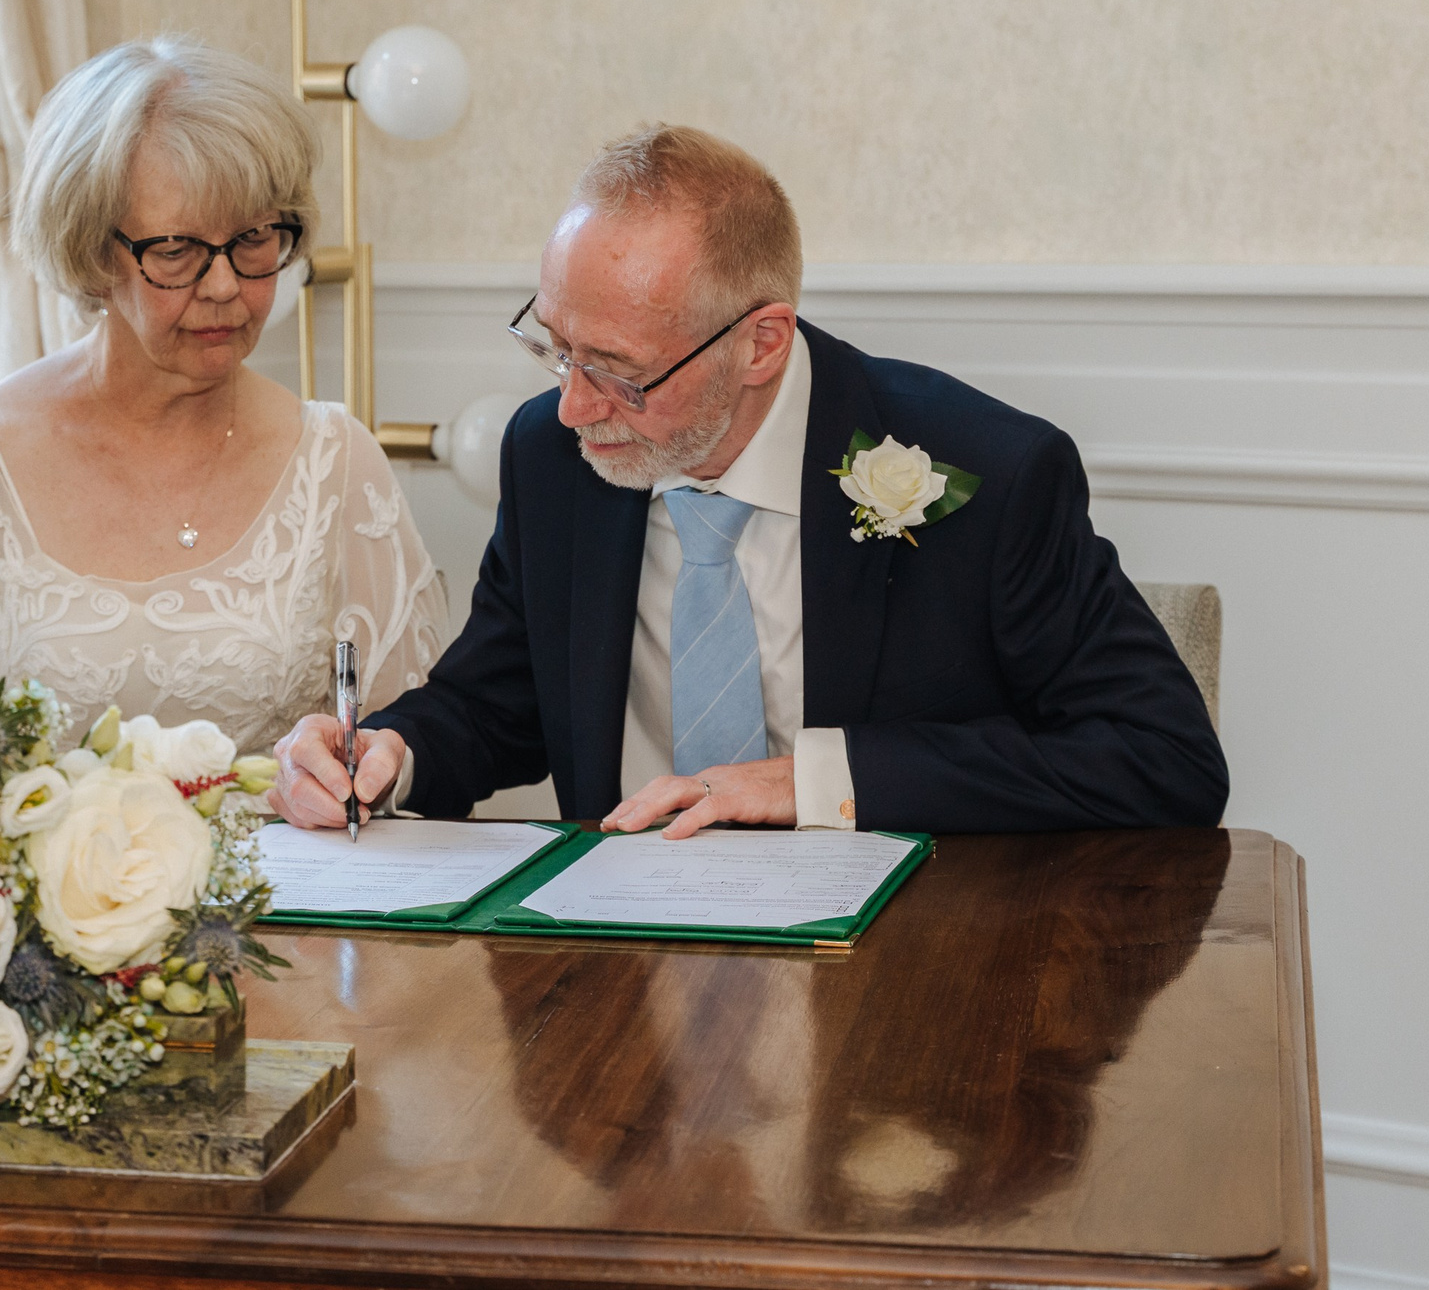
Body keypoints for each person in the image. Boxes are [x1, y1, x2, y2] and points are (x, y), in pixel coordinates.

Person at [268, 124, 1226, 835]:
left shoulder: (984, 476)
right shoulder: (552, 457)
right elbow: (497, 700)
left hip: (900, 994)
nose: (573, 407)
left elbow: (1164, 757)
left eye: (616, 370)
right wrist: (391, 754)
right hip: (619, 984)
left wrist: (808, 782)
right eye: (556, 351)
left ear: (761, 343)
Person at [0, 37, 447, 753]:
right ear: (90, 249)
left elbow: (404, 746)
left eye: (257, 238)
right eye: (176, 251)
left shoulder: (335, 463)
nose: (226, 285)